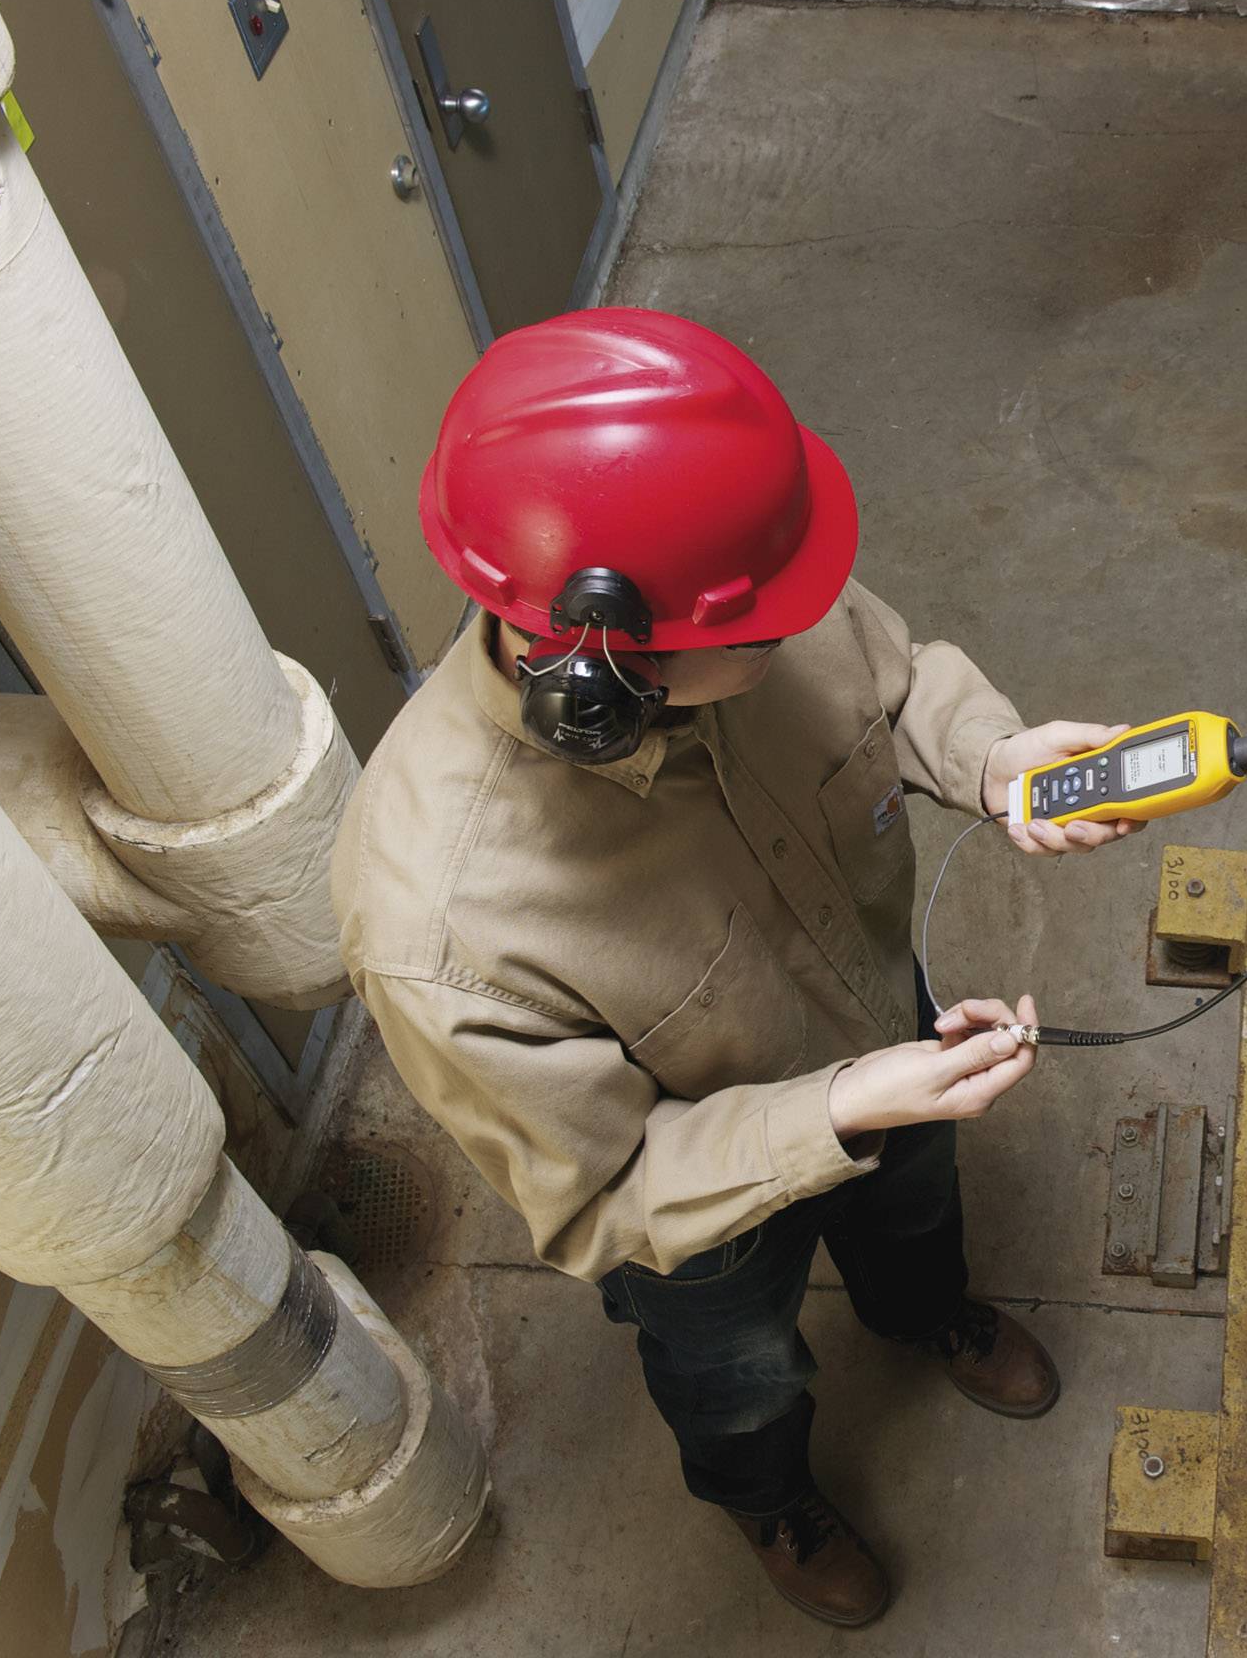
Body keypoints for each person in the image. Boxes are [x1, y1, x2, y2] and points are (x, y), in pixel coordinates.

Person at [333, 308, 1134, 1628]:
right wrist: (840, 1110)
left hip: (886, 1031)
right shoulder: (442, 925)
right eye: (763, 629)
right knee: (736, 1368)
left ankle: (923, 1313)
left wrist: (996, 759)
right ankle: (770, 1498)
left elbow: (896, 680)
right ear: (602, 668)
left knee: (916, 1216)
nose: (800, 627)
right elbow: (606, 1194)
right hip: (699, 1218)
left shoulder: (733, 591)